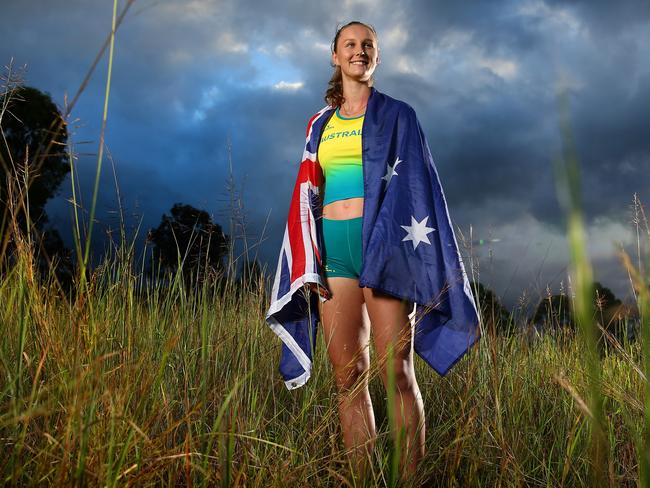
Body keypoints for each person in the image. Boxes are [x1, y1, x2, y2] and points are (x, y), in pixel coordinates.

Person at [266, 21, 480, 477]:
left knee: (396, 374)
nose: (359, 51)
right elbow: (308, 192)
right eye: (350, 44)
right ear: (335, 56)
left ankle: (410, 479)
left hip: (384, 249)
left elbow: (419, 189)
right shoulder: (318, 124)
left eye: (368, 45)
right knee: (347, 379)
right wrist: (312, 258)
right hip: (334, 252)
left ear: (376, 58)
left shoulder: (399, 115)